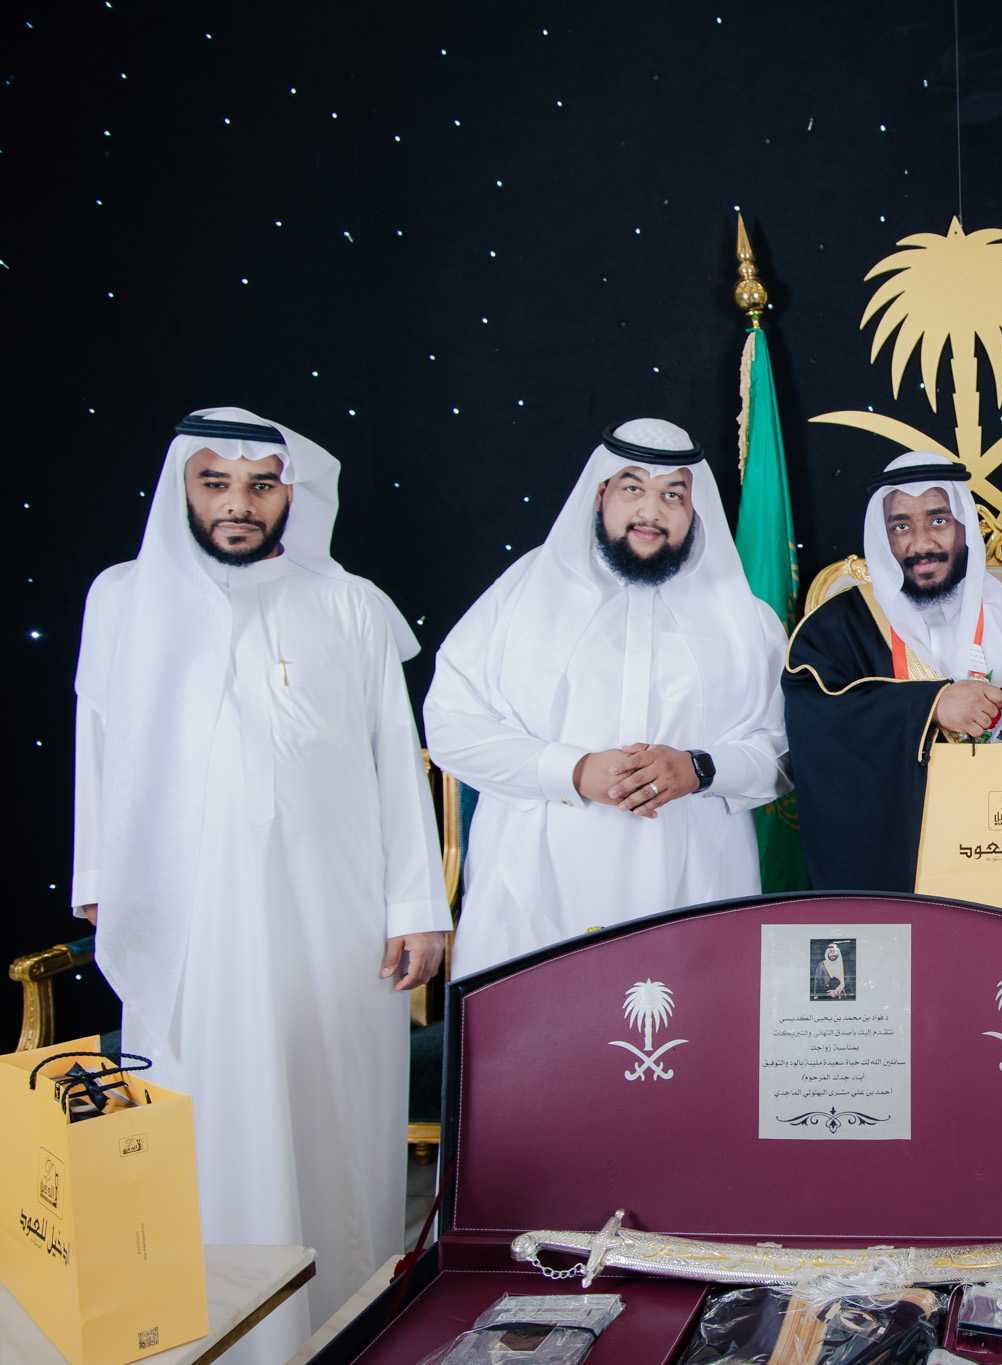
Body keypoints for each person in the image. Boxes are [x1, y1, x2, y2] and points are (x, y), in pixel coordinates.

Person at [72, 408, 446, 1360]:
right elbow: (98, 740)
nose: (238, 504)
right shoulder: (123, 596)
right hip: (186, 911)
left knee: (329, 1115)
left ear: (291, 493)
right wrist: (100, 876)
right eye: (215, 483)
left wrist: (417, 905)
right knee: (200, 1113)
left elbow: (393, 758)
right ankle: (203, 1332)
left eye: (260, 484)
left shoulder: (349, 602)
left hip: (333, 913)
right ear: (182, 488)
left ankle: (339, 1323)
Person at [426, 420, 790, 976]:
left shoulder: (745, 618)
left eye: (673, 494)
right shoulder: (522, 595)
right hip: (534, 891)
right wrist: (571, 771)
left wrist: (698, 768)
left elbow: (786, 752)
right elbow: (450, 725)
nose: (651, 510)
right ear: (600, 494)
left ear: (695, 509)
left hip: (696, 892)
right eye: (632, 487)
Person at [783, 453, 1002, 891]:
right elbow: (814, 727)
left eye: (938, 521)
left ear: (965, 526)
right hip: (902, 874)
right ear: (883, 536)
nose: (921, 544)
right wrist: (929, 705)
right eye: (901, 527)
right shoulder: (837, 628)